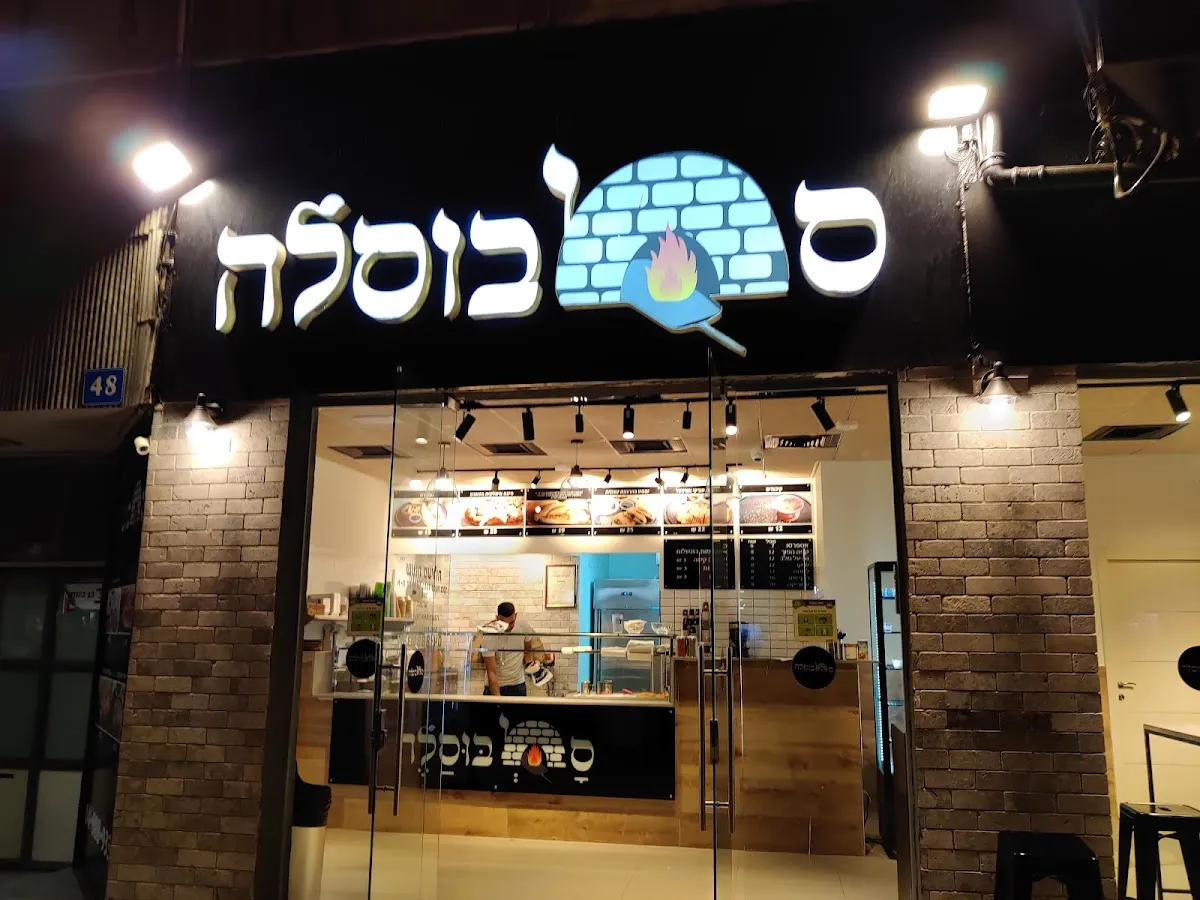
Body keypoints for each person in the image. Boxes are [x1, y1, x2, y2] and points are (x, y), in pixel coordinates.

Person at [479, 602, 537, 696]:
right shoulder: (489, 635)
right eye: (505, 623)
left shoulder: (523, 626)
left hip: (518, 684)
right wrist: (497, 698)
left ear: (516, 615)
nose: (509, 626)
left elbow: (528, 649)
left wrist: (531, 664)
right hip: (495, 684)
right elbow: (491, 672)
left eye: (512, 622)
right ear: (497, 618)